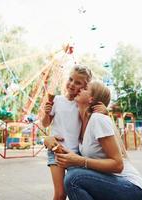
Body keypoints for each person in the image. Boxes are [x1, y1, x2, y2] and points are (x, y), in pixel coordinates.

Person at [56, 81, 142, 200]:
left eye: (85, 88)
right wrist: (49, 139)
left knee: (74, 178)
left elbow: (118, 165)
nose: (79, 89)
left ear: (91, 99)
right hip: (110, 183)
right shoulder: (80, 123)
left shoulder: (98, 120)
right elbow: (57, 126)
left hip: (131, 188)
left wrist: (80, 161)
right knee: (73, 172)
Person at [42, 65, 106, 200]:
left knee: (74, 189)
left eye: (78, 82)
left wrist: (104, 111)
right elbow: (45, 123)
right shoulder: (57, 100)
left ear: (85, 87)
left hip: (75, 153)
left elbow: (91, 124)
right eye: (70, 79)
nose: (71, 84)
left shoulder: (81, 104)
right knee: (60, 194)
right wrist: (47, 112)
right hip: (56, 149)